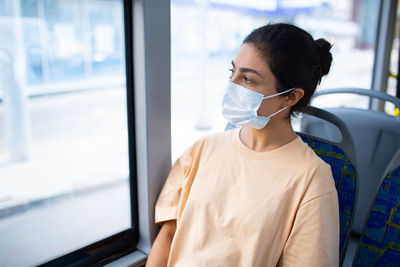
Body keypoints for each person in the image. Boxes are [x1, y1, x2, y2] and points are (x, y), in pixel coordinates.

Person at [146, 23, 339, 267]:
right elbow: (169, 235)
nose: (232, 85)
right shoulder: (203, 149)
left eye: (247, 79)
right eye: (232, 72)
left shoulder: (311, 178)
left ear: (291, 96)